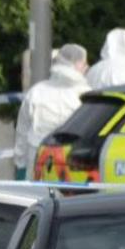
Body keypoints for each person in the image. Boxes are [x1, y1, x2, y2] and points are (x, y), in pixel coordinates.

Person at [14, 44, 91, 180]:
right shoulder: (86, 95)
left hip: (37, 162)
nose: (87, 67)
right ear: (79, 64)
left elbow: (22, 133)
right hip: (70, 165)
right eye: (85, 63)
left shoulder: (36, 92)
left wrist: (20, 165)